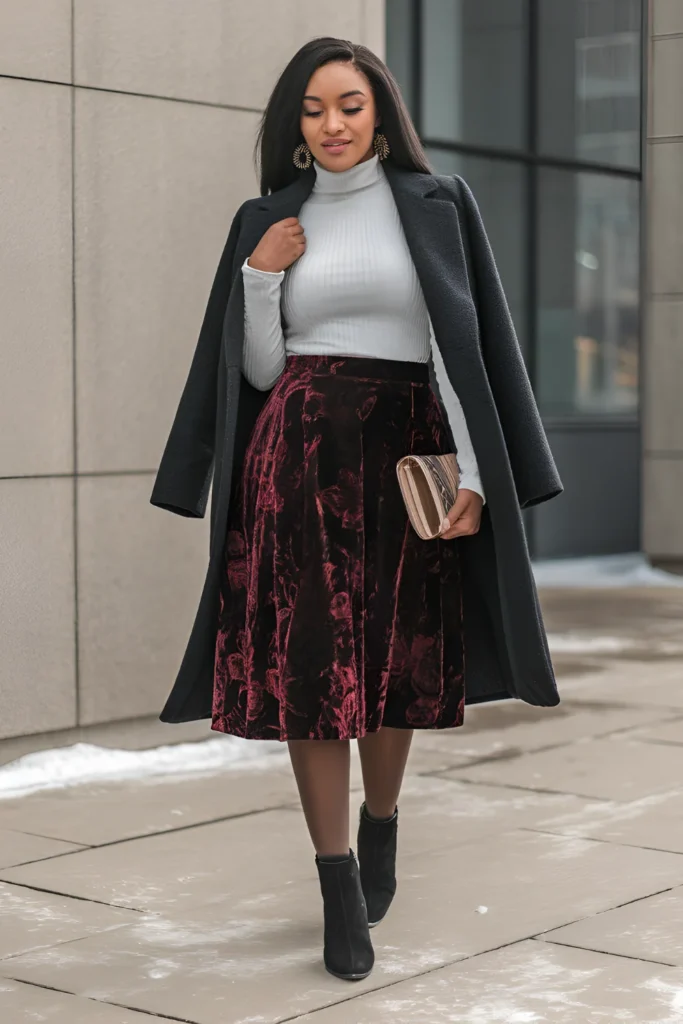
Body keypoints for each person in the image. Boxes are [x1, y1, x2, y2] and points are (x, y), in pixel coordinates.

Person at [150, 37, 563, 982]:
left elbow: (459, 349)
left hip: (404, 452)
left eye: (348, 104)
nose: (331, 124)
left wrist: (473, 477)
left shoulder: (436, 203)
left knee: (396, 658)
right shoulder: (268, 217)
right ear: (293, 128)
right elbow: (257, 371)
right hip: (294, 458)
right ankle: (337, 881)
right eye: (311, 110)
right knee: (310, 669)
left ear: (379, 111)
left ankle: (381, 826)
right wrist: (260, 275)